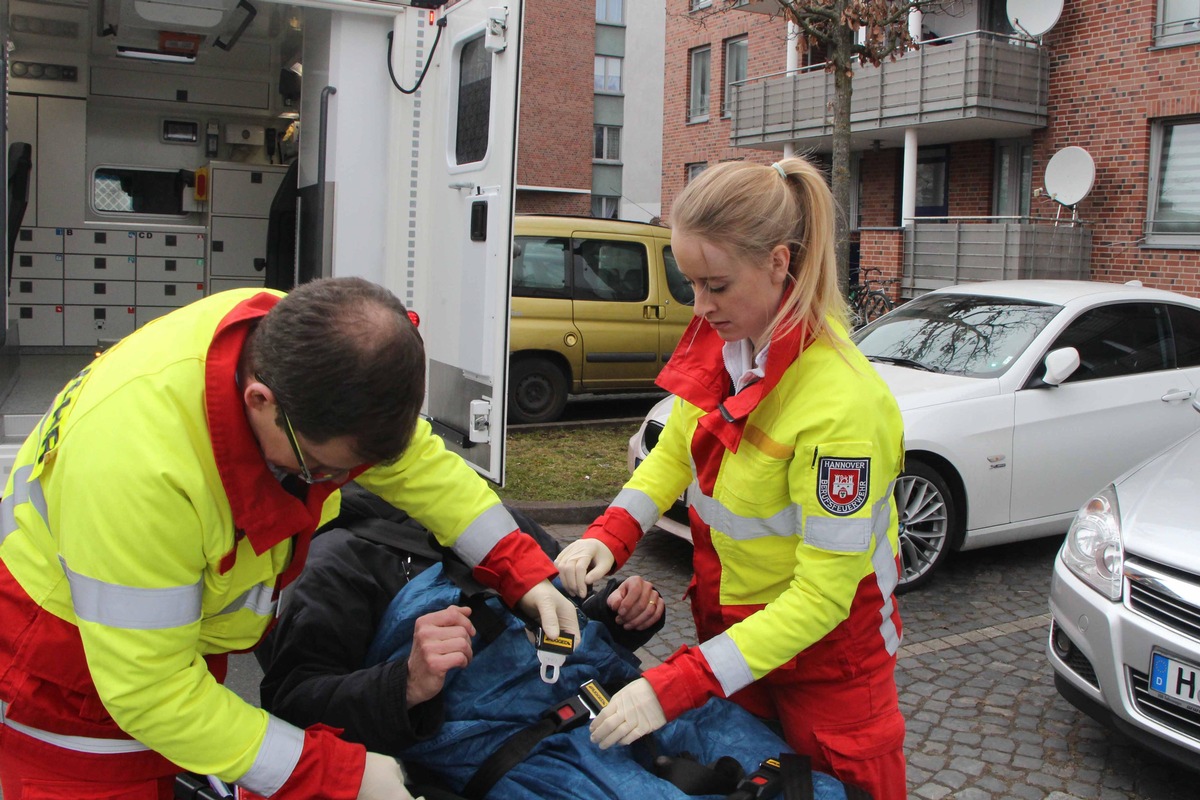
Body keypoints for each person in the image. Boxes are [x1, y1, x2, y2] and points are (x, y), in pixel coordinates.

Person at [0, 278, 579, 800]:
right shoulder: (139, 471)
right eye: (324, 470)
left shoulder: (295, 347)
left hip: (163, 660)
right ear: (261, 403)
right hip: (62, 688)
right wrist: (340, 775)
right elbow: (153, 692)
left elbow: (416, 468)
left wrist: (521, 569)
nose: (330, 486)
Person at [553, 157, 908, 800]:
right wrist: (607, 536)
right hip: (741, 647)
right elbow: (674, 453)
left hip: (830, 671)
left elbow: (823, 600)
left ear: (778, 262)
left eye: (714, 285)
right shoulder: (731, 342)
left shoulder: (841, 407)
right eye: (689, 282)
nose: (700, 306)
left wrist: (675, 686)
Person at [257, 486, 863, 800]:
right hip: (522, 749)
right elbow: (292, 702)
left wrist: (620, 613)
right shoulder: (333, 562)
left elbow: (570, 607)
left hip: (615, 692)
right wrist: (407, 682)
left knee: (797, 781)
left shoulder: (478, 511)